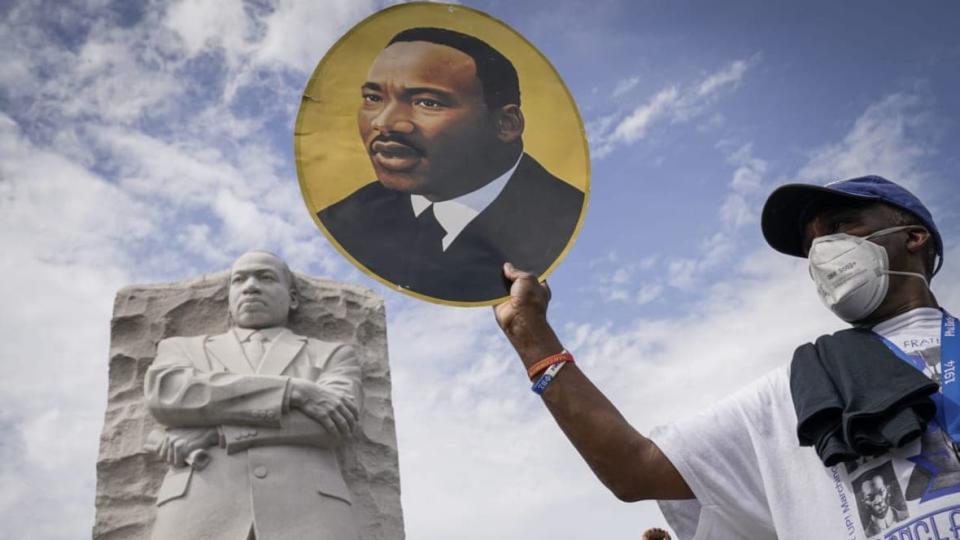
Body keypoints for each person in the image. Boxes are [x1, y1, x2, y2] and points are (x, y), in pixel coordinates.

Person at [494, 176, 957, 537]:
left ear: (913, 237)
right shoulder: (801, 393)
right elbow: (633, 468)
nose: (822, 253)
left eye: (839, 227)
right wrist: (531, 334)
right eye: (811, 245)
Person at [319, 27, 584, 303]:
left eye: (427, 102)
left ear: (506, 124)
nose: (383, 122)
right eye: (373, 98)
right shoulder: (347, 219)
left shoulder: (564, 218)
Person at [144, 251, 362, 540]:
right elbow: (169, 395)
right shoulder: (183, 349)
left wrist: (216, 432)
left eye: (266, 277)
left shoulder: (332, 354)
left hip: (309, 512)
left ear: (293, 298)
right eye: (239, 280)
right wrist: (293, 391)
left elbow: (333, 423)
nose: (250, 286)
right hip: (199, 509)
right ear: (229, 298)